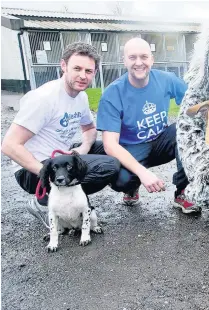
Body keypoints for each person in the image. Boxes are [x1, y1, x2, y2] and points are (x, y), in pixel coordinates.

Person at [2, 42, 120, 223]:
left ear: (95, 73)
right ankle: (45, 203)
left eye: (88, 71)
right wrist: (46, 173)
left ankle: (67, 200)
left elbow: (89, 128)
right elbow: (9, 146)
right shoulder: (44, 98)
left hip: (61, 158)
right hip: (33, 170)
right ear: (63, 66)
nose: (83, 76)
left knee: (111, 149)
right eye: (77, 68)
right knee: (109, 165)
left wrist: (83, 148)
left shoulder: (81, 96)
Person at [97, 37, 201, 214]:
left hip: (161, 141)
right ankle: (131, 187)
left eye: (144, 57)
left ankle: (183, 192)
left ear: (152, 59)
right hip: (132, 149)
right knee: (121, 181)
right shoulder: (112, 93)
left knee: (185, 130)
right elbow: (110, 145)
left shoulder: (167, 79)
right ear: (124, 61)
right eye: (132, 57)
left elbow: (194, 105)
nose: (139, 62)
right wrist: (142, 173)